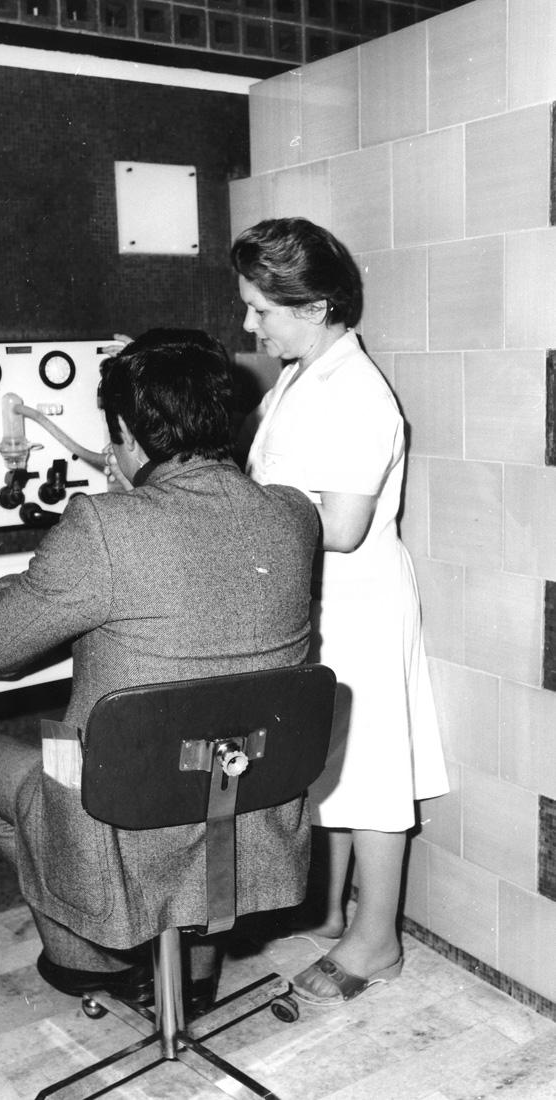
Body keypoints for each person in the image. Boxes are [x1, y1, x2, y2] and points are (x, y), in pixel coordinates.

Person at [0, 327, 320, 1008]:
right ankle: (193, 977)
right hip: (251, 811)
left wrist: (35, 571)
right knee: (195, 744)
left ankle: (92, 954)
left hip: (117, 814)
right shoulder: (294, 516)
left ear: (125, 431)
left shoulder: (102, 525)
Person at [231, 218, 449, 1005]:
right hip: (316, 600)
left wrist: (240, 518)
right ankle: (328, 912)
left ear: (316, 306)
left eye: (262, 309)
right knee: (327, 762)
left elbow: (346, 524)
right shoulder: (299, 377)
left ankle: (377, 941)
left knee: (373, 771)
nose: (249, 324)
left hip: (360, 602)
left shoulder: (357, 393)